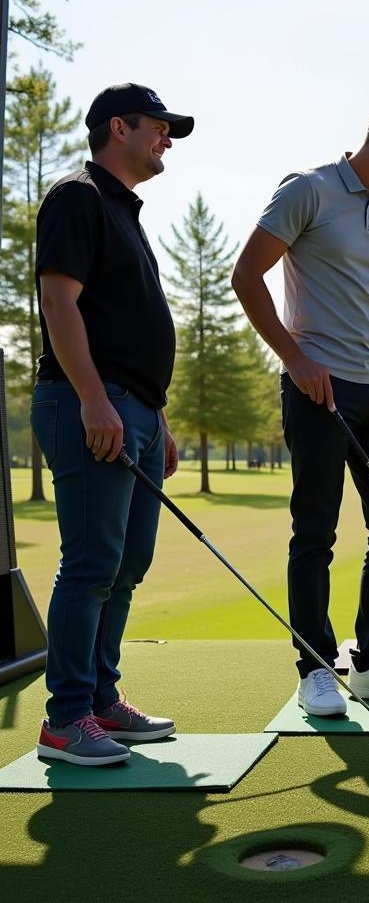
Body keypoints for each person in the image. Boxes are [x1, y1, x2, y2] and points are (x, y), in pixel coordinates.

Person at [232, 95, 369, 715]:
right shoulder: (307, 190)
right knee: (316, 533)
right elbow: (247, 275)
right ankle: (314, 669)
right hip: (317, 389)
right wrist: (295, 359)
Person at [33, 83, 193, 766]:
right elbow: (58, 302)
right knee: (92, 562)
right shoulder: (78, 196)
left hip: (136, 409)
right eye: (158, 127)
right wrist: (95, 398)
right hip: (88, 404)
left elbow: (124, 323)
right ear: (118, 127)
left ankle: (100, 699)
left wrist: (157, 417)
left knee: (128, 563)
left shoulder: (124, 211)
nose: (166, 139)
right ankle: (65, 719)